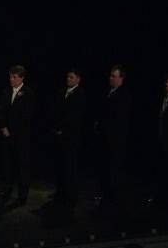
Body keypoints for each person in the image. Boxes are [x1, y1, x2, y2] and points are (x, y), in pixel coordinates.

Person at [0, 65, 35, 209]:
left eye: (15, 77)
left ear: (22, 78)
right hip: (6, 135)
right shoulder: (6, 92)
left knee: (22, 166)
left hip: (21, 137)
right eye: (10, 77)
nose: (12, 79)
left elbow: (27, 116)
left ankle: (22, 195)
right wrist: (4, 127)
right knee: (7, 165)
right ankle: (6, 191)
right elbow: (0, 111)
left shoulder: (28, 93)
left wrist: (13, 130)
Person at [93, 65, 131, 216]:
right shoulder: (108, 92)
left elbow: (119, 120)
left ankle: (113, 205)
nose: (111, 78)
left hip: (115, 142)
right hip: (105, 141)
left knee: (113, 173)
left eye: (114, 76)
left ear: (121, 78)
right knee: (105, 172)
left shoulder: (124, 95)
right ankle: (107, 201)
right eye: (110, 75)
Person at [49, 69, 86, 211]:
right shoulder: (61, 92)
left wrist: (63, 128)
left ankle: (71, 196)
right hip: (59, 136)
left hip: (71, 137)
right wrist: (56, 128)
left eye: (71, 77)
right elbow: (55, 111)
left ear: (78, 79)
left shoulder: (80, 94)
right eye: (67, 77)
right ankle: (61, 192)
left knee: (70, 167)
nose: (68, 79)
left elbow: (75, 117)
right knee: (59, 166)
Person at [152, 73, 168, 211]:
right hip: (163, 139)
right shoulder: (164, 98)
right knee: (164, 169)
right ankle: (164, 197)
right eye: (167, 83)